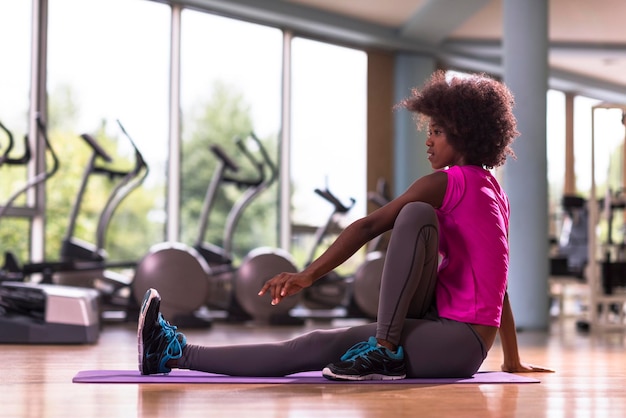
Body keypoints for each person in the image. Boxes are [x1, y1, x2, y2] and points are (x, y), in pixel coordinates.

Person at [137, 70, 554, 380]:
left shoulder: (448, 183)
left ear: (465, 134)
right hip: (455, 336)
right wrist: (510, 357)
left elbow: (368, 225)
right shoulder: (493, 192)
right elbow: (498, 284)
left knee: (319, 340)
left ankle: (174, 353)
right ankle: (383, 349)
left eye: (438, 131)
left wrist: (307, 275)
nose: (429, 140)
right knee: (413, 222)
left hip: (455, 344)